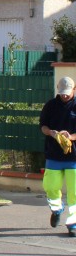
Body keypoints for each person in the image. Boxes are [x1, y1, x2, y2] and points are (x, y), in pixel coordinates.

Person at [40, 76, 76, 237]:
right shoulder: (50, 106)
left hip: (73, 157)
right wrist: (51, 133)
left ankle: (73, 224)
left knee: (75, 192)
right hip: (53, 155)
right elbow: (43, 126)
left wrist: (70, 137)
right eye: (62, 93)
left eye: (67, 93)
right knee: (51, 187)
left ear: (74, 90)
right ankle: (56, 209)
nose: (65, 96)